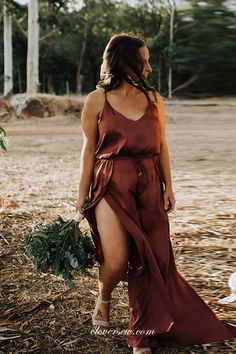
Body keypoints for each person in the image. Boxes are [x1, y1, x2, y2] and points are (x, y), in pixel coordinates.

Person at [76, 32, 236, 354]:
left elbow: (161, 145)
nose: (148, 68)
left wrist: (169, 185)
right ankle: (104, 297)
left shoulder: (153, 99)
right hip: (110, 181)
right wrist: (82, 194)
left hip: (148, 181)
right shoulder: (97, 100)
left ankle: (142, 333)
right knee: (118, 259)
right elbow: (89, 148)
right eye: (144, 61)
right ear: (125, 63)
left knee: (153, 260)